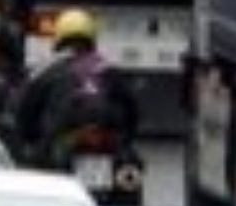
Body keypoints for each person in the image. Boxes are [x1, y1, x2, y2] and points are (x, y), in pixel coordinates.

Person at [10, 9, 140, 168]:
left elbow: (26, 108)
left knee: (35, 167)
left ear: (59, 39)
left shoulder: (48, 69)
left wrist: (29, 139)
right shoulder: (109, 69)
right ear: (91, 39)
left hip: (61, 138)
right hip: (107, 139)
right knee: (129, 167)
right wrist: (126, 141)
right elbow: (132, 110)